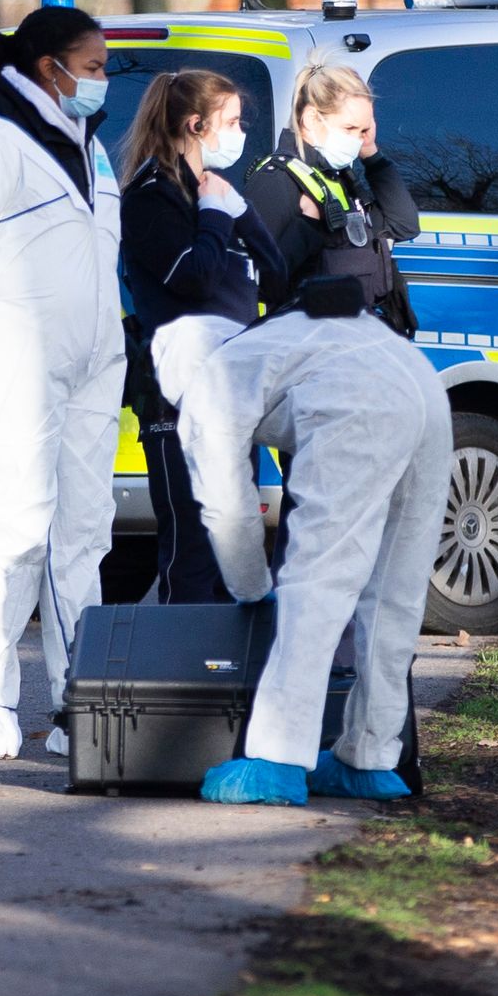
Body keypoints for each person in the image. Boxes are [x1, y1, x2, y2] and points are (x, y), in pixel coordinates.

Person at [0, 1, 123, 759]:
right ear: (52, 68)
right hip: (13, 359)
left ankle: (80, 710)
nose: (104, 81)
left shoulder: (87, 146)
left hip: (91, 363)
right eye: (96, 66)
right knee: (14, 531)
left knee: (83, 534)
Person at [177, 287, 448, 808]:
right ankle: (370, 756)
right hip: (421, 383)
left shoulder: (208, 384)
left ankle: (279, 756)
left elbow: (227, 507)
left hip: (359, 397)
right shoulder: (262, 343)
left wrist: (253, 588)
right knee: (396, 589)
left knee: (314, 581)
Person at [117, 67, 265, 603]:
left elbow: (267, 270)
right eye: (231, 121)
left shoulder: (212, 193)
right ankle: (185, 677)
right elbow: (193, 277)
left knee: (234, 545)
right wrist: (216, 216)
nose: (240, 131)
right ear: (197, 124)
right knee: (192, 550)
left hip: (231, 392)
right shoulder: (153, 196)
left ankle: (227, 675)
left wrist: (236, 211)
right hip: (179, 397)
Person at [242, 63, 419, 334]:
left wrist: (372, 155)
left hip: (349, 341)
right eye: (349, 128)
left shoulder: (336, 177)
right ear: (312, 119)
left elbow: (404, 225)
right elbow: (259, 279)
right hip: (303, 346)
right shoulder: (276, 179)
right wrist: (307, 226)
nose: (356, 140)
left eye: (363, 130)